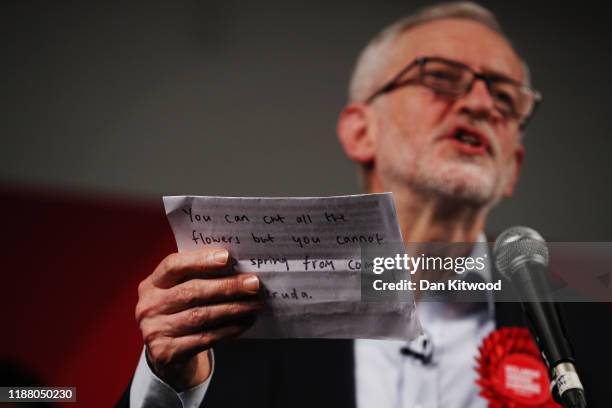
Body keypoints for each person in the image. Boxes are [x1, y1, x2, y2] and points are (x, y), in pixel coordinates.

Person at [119, 2, 605, 407]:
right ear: (360, 130)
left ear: (513, 166)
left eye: (504, 95)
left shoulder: (592, 329)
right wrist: (167, 383)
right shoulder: (246, 316)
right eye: (441, 76)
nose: (481, 104)